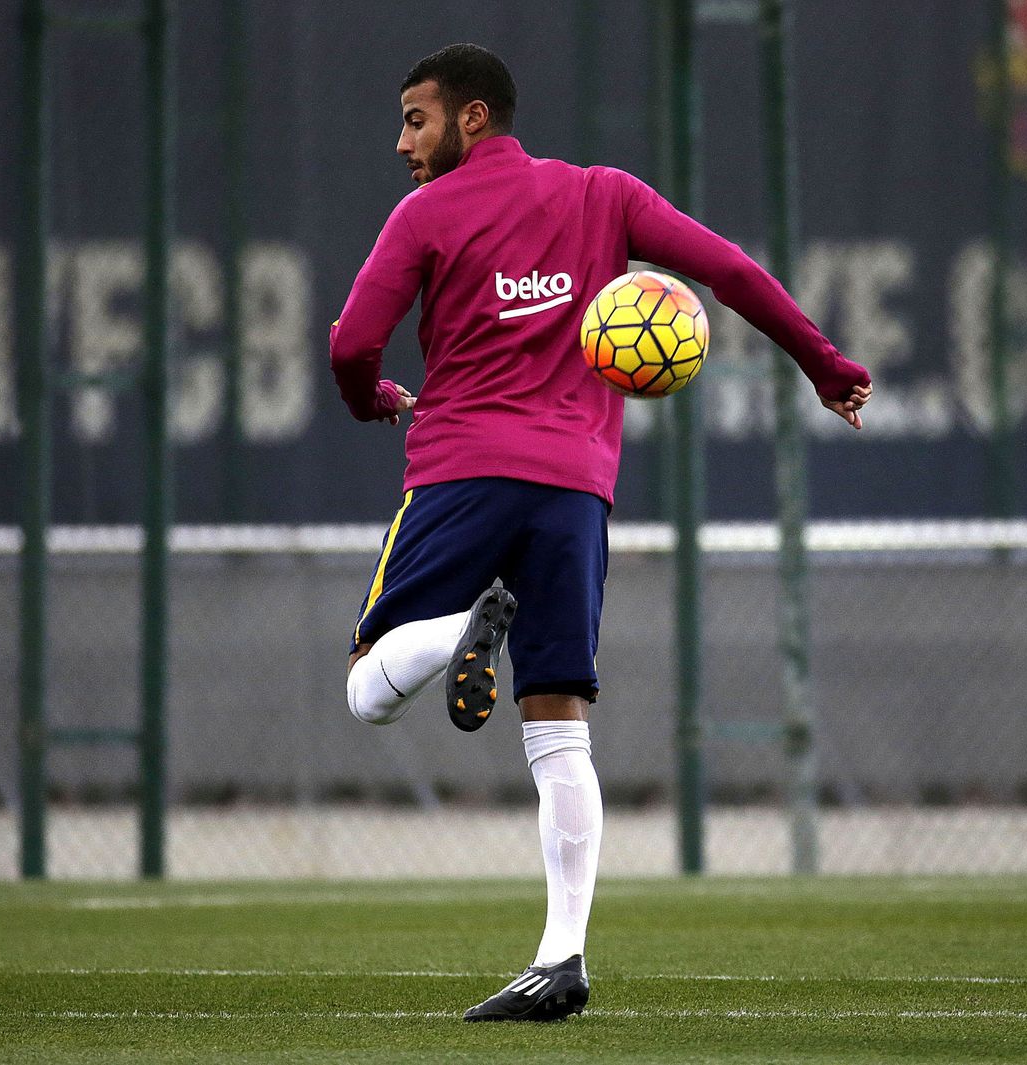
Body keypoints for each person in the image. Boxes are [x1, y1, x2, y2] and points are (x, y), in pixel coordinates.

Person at [330, 43, 872, 1023]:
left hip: (460, 474)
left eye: (417, 119)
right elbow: (731, 271)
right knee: (557, 722)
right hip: (576, 488)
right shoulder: (604, 196)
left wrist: (367, 397)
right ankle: (562, 958)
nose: (403, 141)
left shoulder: (426, 214)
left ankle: (465, 630)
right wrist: (822, 363)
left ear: (474, 119)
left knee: (369, 689)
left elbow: (348, 343)